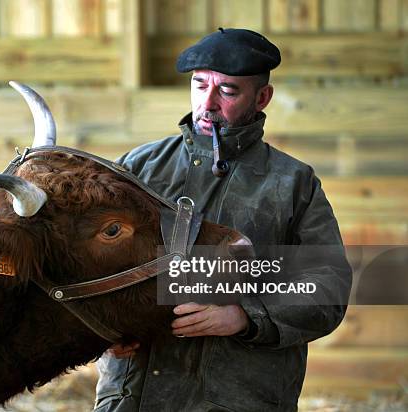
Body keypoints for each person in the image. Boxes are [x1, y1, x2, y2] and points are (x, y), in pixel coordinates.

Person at [93, 28, 352, 412]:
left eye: (228, 91)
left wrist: (244, 317)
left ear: (262, 97)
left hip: (237, 397)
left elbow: (326, 287)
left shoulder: (293, 183)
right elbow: (89, 268)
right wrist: (103, 332)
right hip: (133, 393)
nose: (208, 103)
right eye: (199, 86)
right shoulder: (137, 168)